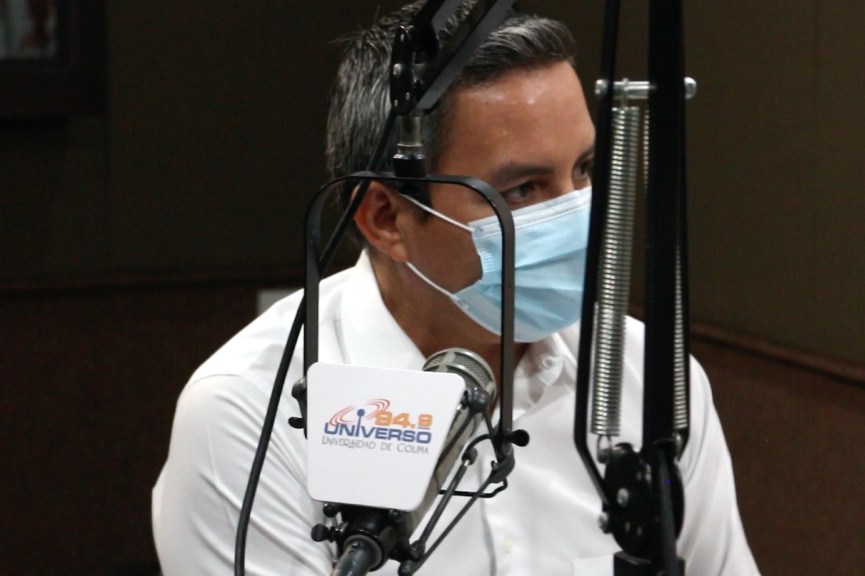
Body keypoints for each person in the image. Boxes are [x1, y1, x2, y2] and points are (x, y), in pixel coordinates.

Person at [151, 2, 760, 574]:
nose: (579, 214)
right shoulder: (248, 416)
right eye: (521, 189)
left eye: (584, 170)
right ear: (386, 219)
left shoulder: (644, 378)